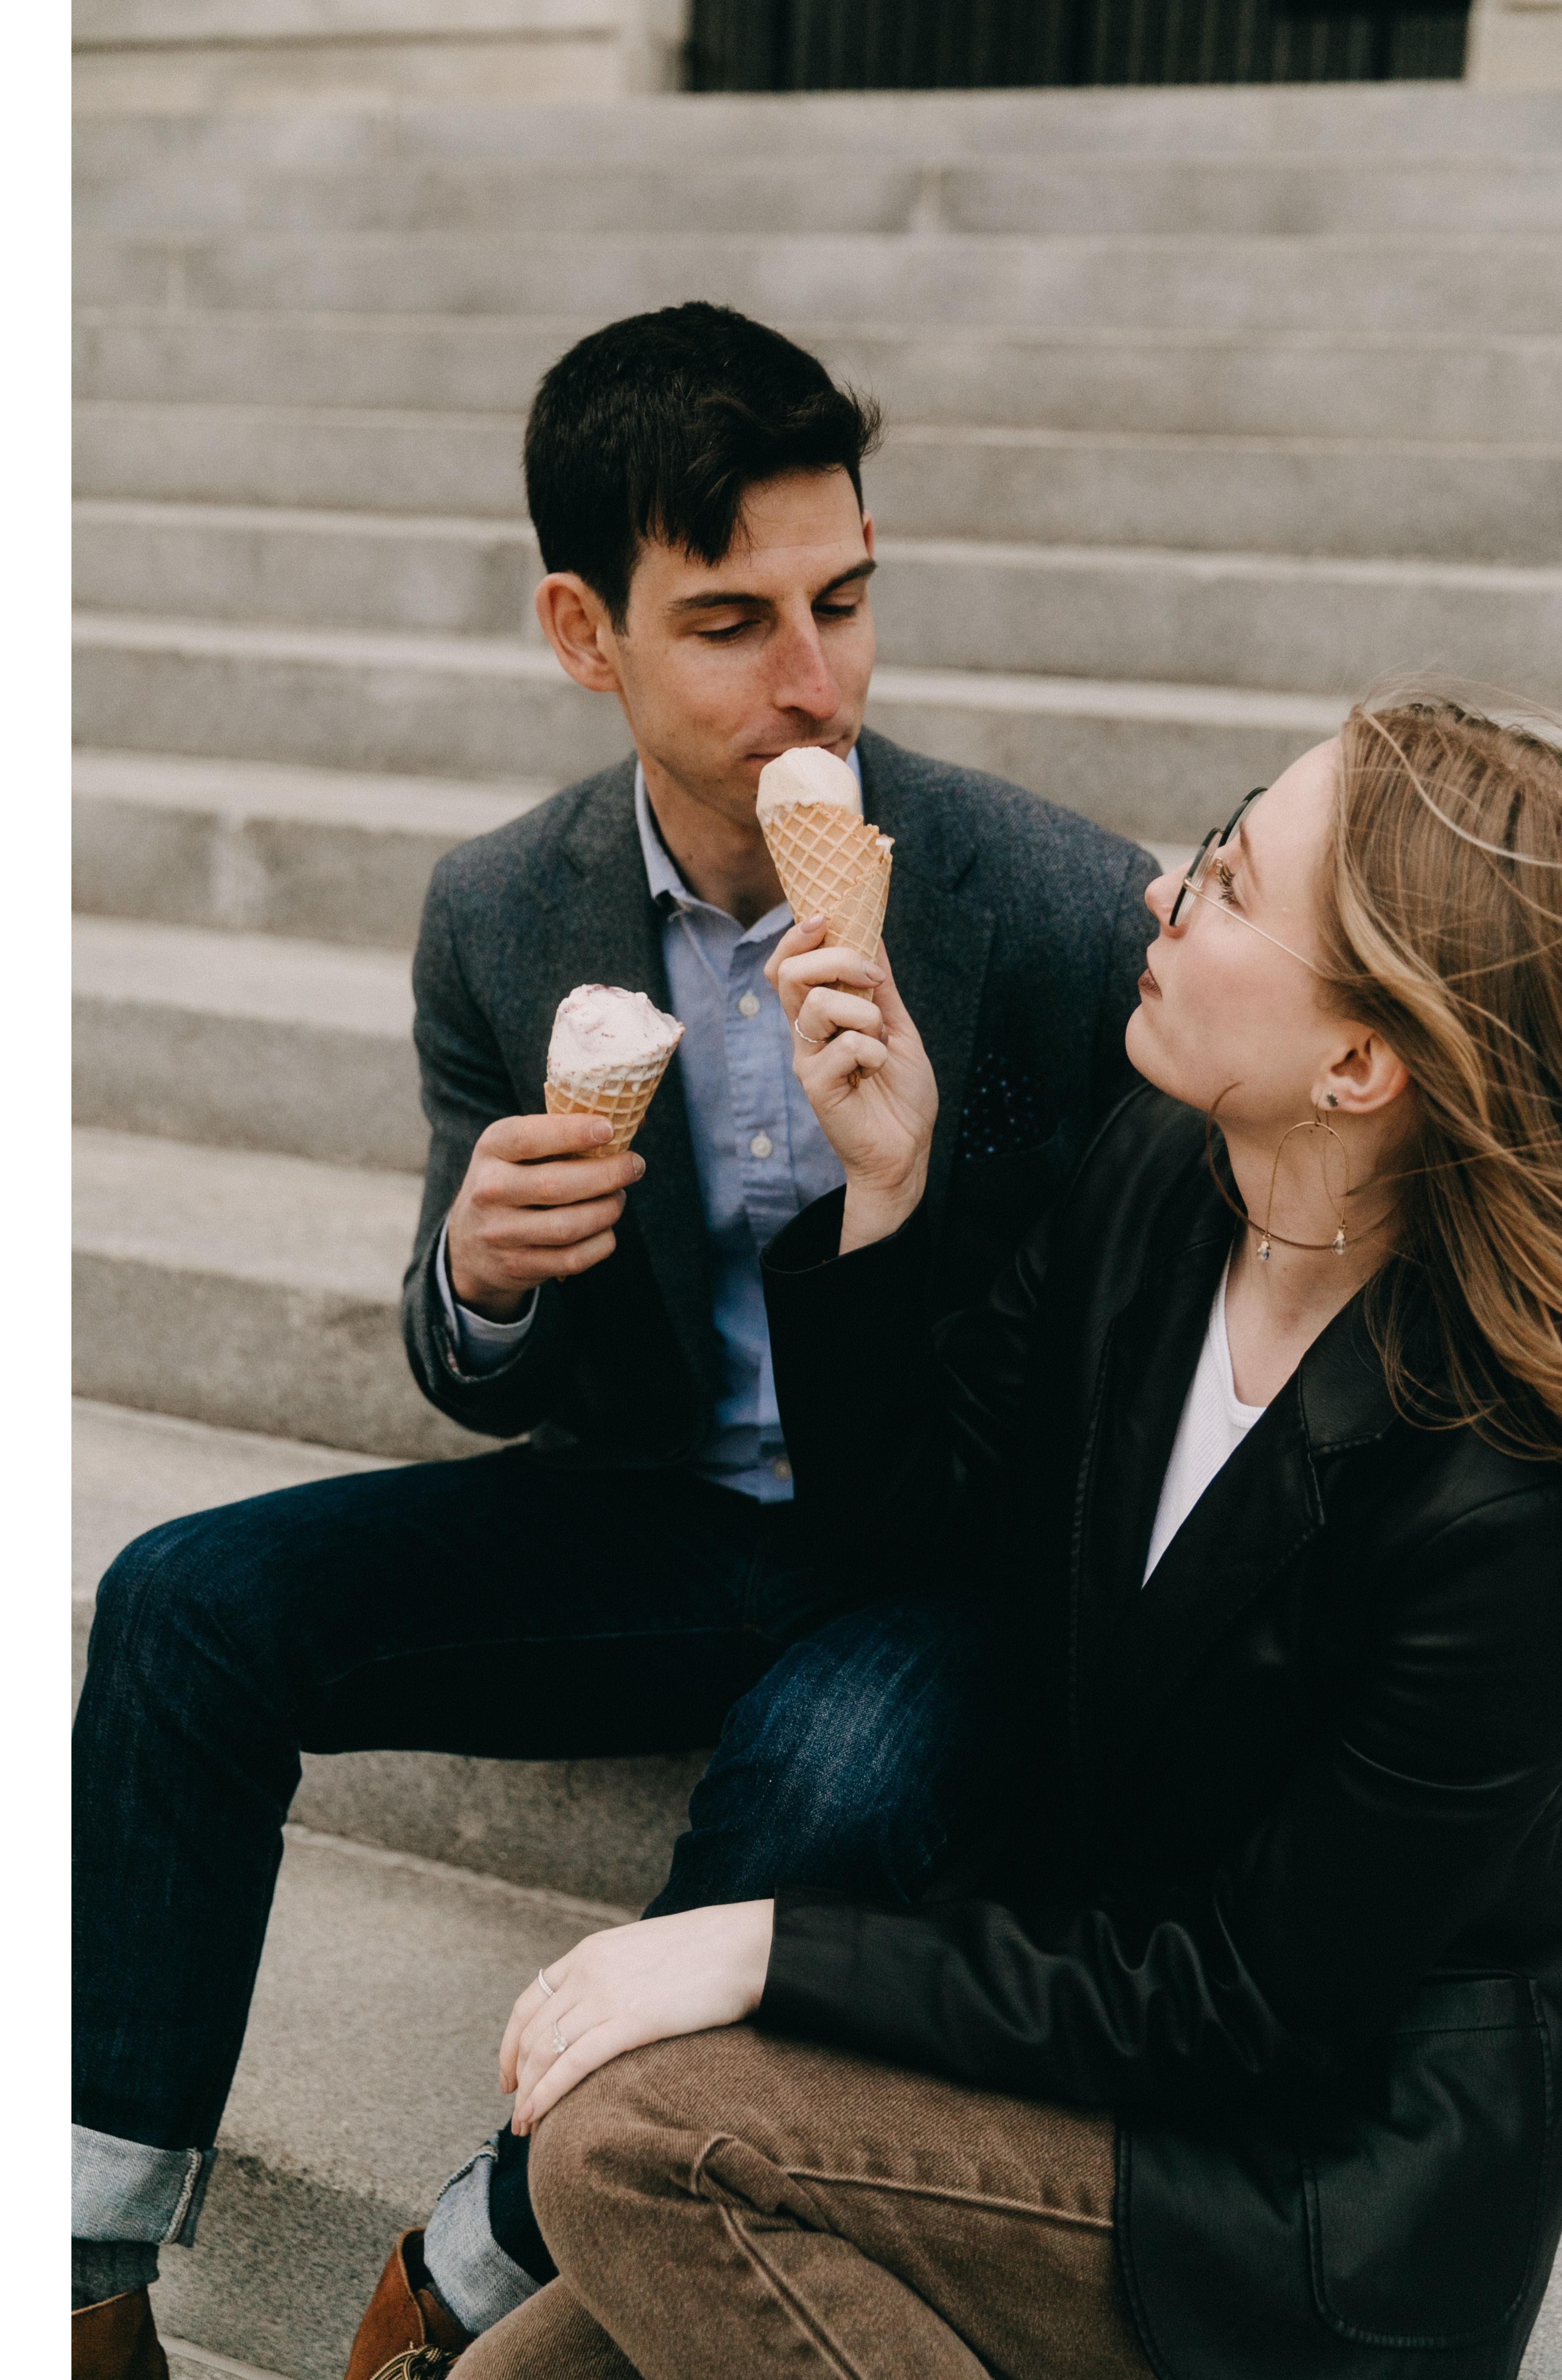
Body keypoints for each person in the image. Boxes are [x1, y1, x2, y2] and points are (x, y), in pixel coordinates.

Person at [70, 302, 1171, 2380]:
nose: (817, 677)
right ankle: (79, 2276)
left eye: (845, 599)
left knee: (829, 1771)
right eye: (734, 620)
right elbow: (470, 1358)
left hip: (946, 1563)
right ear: (587, 634)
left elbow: (1133, 1357)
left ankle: (471, 2262)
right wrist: (483, 1281)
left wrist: (907, 1195)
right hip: (661, 1515)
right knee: (179, 1606)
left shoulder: (1037, 906)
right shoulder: (504, 909)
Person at [405, 696, 1562, 2380]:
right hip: (1089, 2025)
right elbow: (911, 1543)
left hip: (1298, 2195)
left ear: (1360, 1065)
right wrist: (889, 1191)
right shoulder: (1169, 1173)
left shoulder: (1516, 1502)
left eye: (1230, 882)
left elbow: (1248, 2008)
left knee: (628, 2141)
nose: (1164, 892)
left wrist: (761, 1947)